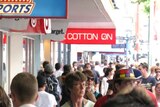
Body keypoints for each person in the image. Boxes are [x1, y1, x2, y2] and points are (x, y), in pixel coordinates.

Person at [94, 68, 158, 107]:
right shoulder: (103, 102)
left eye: (133, 82)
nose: (132, 86)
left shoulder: (148, 97)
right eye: (128, 83)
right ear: (117, 86)